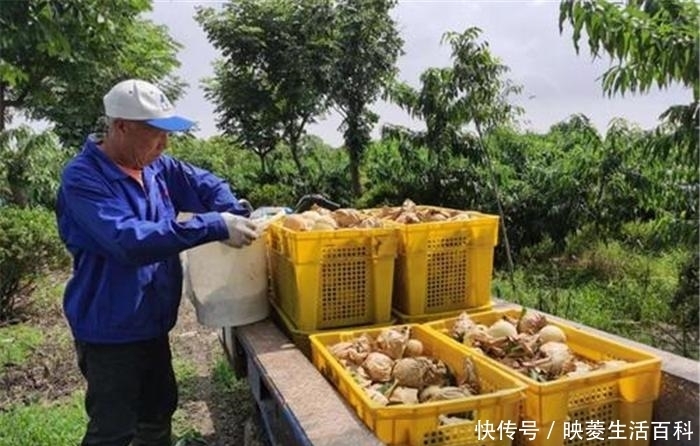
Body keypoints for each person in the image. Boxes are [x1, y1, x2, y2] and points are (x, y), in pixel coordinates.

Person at [55, 78, 259, 446]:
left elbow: (206, 184)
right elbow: (128, 241)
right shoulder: (83, 179)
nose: (164, 144)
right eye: (155, 134)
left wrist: (230, 211)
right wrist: (212, 225)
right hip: (111, 328)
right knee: (114, 428)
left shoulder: (156, 167)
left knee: (157, 412)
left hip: (151, 322)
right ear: (120, 127)